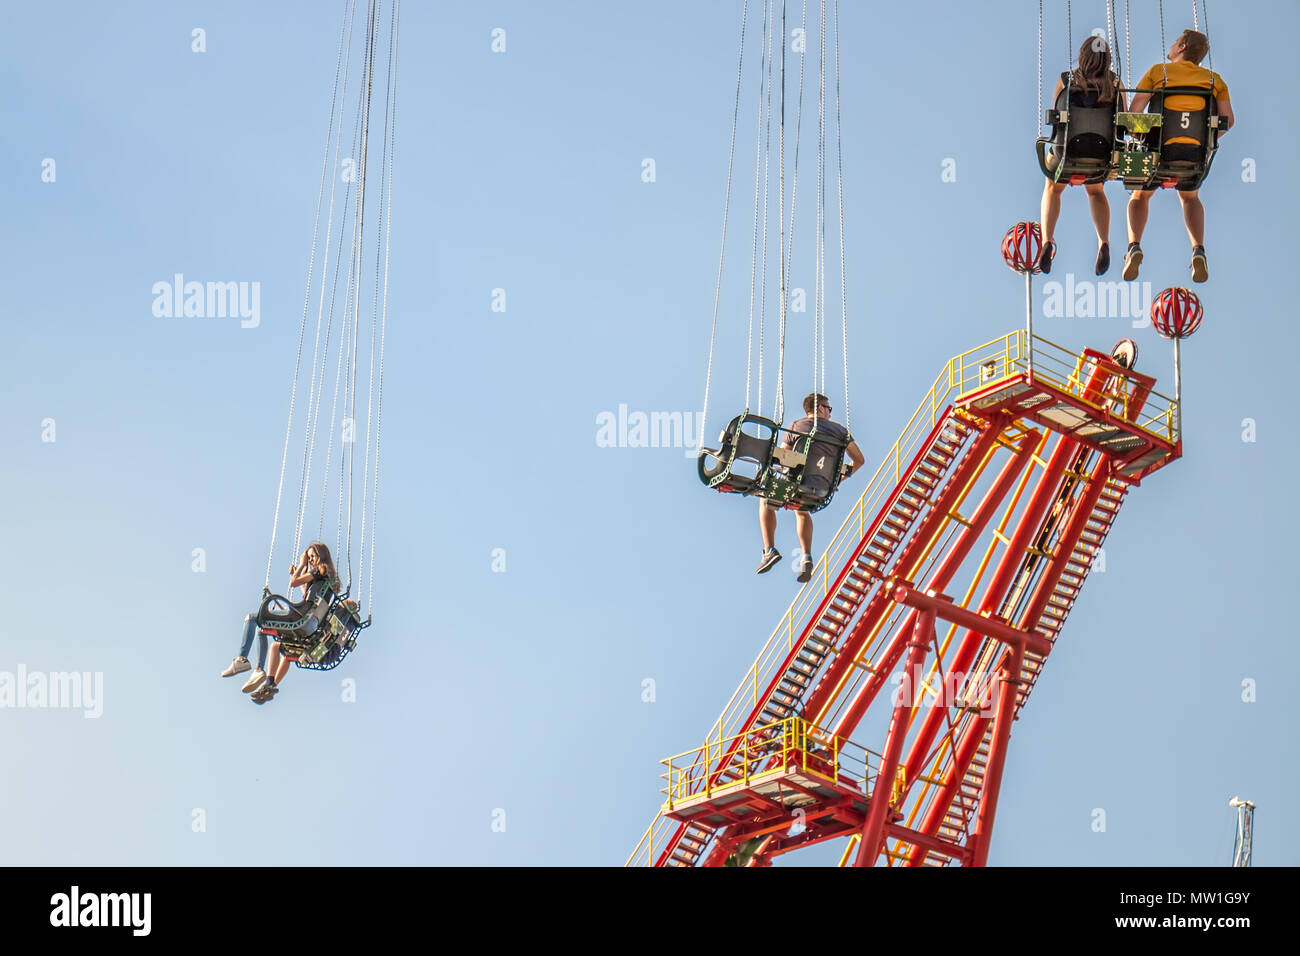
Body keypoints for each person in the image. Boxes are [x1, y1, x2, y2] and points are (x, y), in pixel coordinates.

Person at [1122, 28, 1234, 283]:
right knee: (1190, 198)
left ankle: (1134, 246)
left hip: (1160, 154)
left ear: (1182, 47)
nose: (1171, 46)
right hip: (1193, 156)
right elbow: (1228, 122)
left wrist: (1137, 136)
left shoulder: (1157, 72)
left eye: (1175, 42)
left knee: (1139, 195)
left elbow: (1135, 113)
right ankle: (1198, 249)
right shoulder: (1215, 81)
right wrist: (1205, 142)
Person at [1039, 37, 1126, 276]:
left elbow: (1057, 115)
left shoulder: (1066, 80)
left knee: (1052, 187)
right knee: (1096, 190)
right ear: (1107, 59)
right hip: (1099, 156)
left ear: (1082, 56)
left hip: (1067, 154)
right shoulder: (1115, 84)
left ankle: (1047, 240)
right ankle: (1104, 241)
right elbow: (1123, 122)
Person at [757, 393, 865, 583]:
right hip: (823, 488)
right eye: (829, 409)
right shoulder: (841, 431)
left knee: (765, 499)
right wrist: (837, 480)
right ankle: (806, 556)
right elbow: (859, 460)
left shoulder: (797, 426)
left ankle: (769, 549)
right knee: (801, 510)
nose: (830, 414)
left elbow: (782, 456)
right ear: (821, 408)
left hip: (798, 484)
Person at [250, 542, 341, 704]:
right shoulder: (327, 577)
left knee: (270, 639)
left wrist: (300, 566)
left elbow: (293, 583)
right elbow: (308, 596)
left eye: (313, 556)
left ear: (321, 556)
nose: (311, 559)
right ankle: (271, 685)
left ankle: (265, 677)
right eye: (309, 557)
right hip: (313, 624)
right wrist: (301, 575)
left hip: (304, 621)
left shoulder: (318, 570)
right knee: (282, 650)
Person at [220, 615, 271, 694]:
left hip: (292, 615)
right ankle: (258, 670)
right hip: (293, 616)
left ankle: (242, 659)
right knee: (262, 631)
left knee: (251, 618)